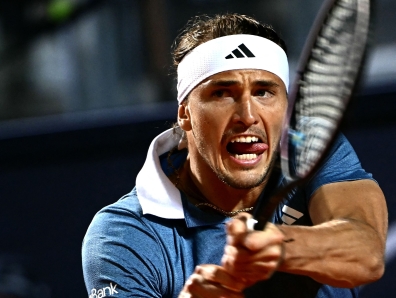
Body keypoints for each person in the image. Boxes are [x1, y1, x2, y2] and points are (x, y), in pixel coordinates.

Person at [81, 13, 388, 298]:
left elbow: (367, 254)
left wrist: (276, 246)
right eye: (222, 93)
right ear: (185, 114)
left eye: (263, 92)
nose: (248, 115)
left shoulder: (311, 147)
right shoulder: (122, 235)